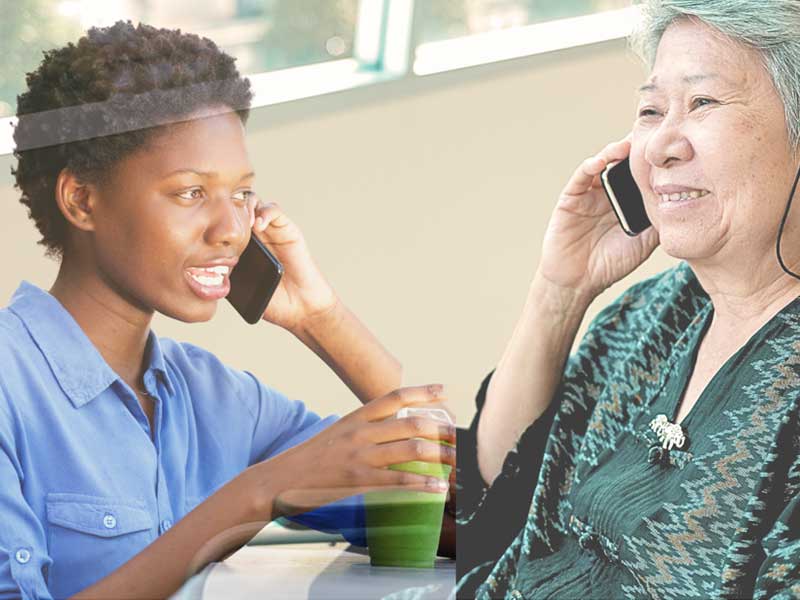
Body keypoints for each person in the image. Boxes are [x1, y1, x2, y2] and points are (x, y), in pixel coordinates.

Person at [2, 21, 455, 600]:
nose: (232, 230)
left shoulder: (216, 397)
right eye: (191, 193)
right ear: (82, 200)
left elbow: (457, 502)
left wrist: (321, 318)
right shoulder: (10, 390)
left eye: (242, 194)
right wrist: (255, 494)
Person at [456, 0, 800, 598]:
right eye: (649, 110)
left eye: (703, 103)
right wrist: (559, 293)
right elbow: (496, 504)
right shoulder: (648, 317)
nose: (662, 145)